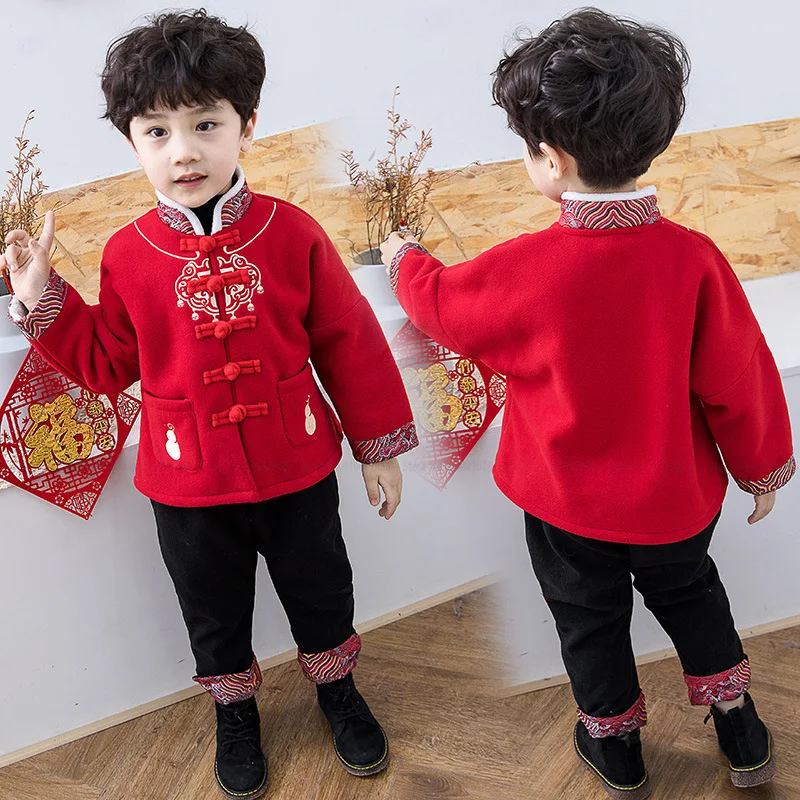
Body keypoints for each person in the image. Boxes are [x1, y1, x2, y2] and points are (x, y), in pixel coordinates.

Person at [2, 11, 418, 799]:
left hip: (298, 466)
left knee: (323, 592)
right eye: (156, 132)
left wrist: (380, 448)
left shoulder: (291, 232)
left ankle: (338, 694)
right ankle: (235, 715)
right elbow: (107, 362)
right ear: (132, 142)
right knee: (212, 612)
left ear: (245, 125)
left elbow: (349, 340)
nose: (183, 151)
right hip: (185, 482)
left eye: (204, 124)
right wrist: (42, 298)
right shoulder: (129, 254)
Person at [381, 9, 794, 799]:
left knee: (589, 621)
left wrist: (404, 259)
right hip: (674, 501)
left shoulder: (525, 267)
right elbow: (737, 377)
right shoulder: (694, 259)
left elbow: (443, 308)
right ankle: (739, 725)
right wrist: (763, 468)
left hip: (566, 504)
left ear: (553, 159)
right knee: (693, 596)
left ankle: (618, 748)